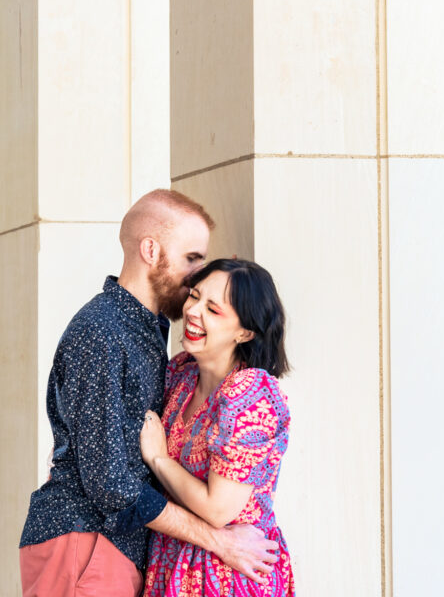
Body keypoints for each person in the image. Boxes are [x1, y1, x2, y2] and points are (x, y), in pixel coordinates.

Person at [19, 189, 278, 597]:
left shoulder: (157, 338)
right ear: (151, 250)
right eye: (192, 259)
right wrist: (218, 540)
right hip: (85, 541)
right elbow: (111, 485)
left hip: (118, 550)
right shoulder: (101, 332)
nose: (197, 274)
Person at [140, 258, 295, 596]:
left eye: (213, 309)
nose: (193, 312)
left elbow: (217, 509)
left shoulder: (251, 394)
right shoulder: (182, 373)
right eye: (194, 296)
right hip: (171, 562)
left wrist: (159, 459)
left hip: (228, 572)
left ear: (245, 332)